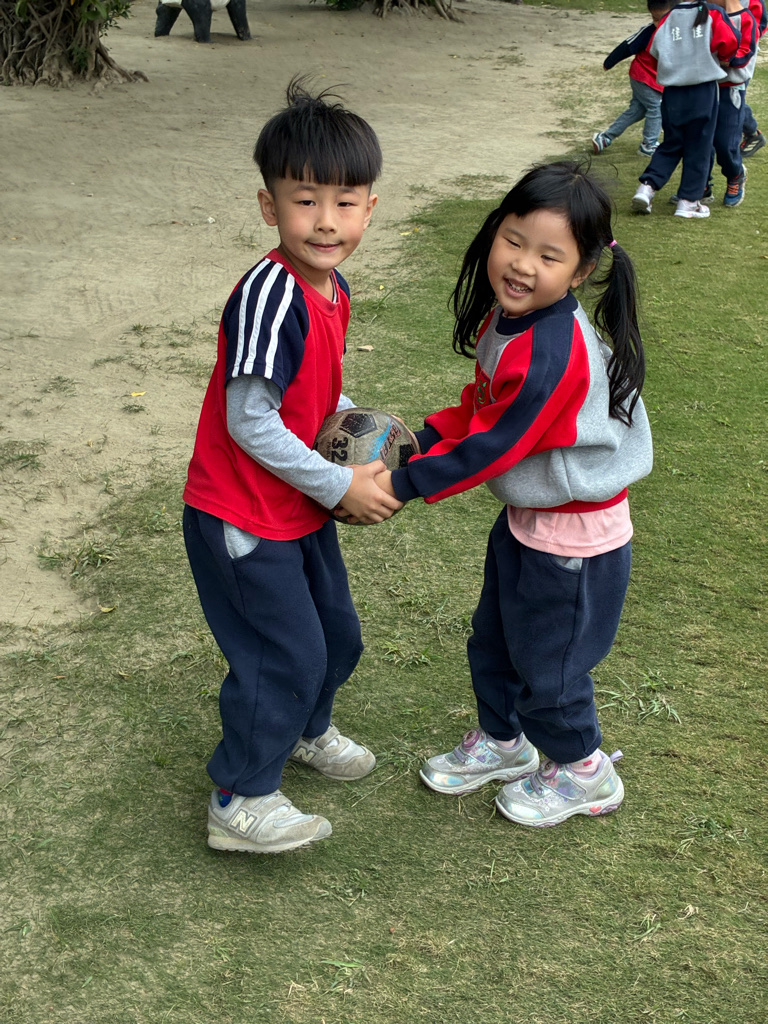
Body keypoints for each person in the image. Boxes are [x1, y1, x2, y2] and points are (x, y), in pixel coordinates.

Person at [375, 162, 653, 827]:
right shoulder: (512, 320)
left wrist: (403, 483)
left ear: (581, 272)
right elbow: (484, 406)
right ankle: (505, 742)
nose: (523, 264)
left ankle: (585, 771)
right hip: (529, 517)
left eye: (549, 256)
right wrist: (421, 439)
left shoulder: (553, 351)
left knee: (550, 666)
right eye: (514, 240)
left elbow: (497, 442)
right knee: (496, 639)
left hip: (574, 542)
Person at [182, 78, 401, 854]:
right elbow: (249, 419)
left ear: (369, 208)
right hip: (242, 514)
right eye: (305, 201)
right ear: (269, 207)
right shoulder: (272, 294)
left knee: (336, 636)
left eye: (345, 202)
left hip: (295, 508)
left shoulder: (332, 287)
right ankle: (240, 798)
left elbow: (313, 384)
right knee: (283, 654)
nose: (326, 221)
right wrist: (339, 482)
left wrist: (358, 429)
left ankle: (305, 730)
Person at [631, 0, 755, 219]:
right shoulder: (710, 13)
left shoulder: (671, 15)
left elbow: (654, 48)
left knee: (674, 143)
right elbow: (728, 44)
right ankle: (689, 200)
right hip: (702, 89)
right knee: (699, 146)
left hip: (677, 90)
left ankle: (647, 188)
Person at [592, 0, 672, 158]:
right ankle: (648, 144)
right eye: (654, 18)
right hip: (642, 76)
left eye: (662, 19)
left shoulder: (679, 32)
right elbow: (627, 46)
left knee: (637, 110)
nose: (657, 23)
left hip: (656, 79)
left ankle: (605, 138)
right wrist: (609, 62)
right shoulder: (648, 32)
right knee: (656, 107)